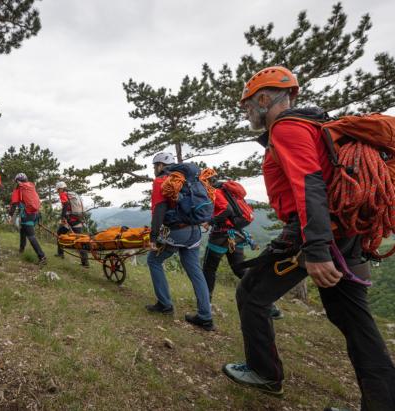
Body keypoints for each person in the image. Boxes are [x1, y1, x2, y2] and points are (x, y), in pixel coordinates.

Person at [222, 66, 395, 409]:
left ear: (263, 98)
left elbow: (309, 184)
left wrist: (316, 249)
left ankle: (265, 373)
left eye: (247, 107)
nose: (247, 114)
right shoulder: (314, 125)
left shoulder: (286, 127)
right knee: (352, 318)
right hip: (345, 234)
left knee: (251, 293)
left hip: (314, 235)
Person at [145, 152, 214, 331]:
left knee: (153, 260)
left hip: (177, 231)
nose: (154, 169)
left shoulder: (161, 181)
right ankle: (206, 317)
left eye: (155, 166)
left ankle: (164, 304)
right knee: (195, 271)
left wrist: (153, 236)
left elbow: (159, 209)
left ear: (160, 165)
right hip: (194, 231)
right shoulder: (186, 180)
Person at [202, 180, 283, 319]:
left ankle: (205, 306)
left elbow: (227, 210)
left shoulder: (215, 192)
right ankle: (269, 305)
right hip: (237, 235)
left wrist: (210, 222)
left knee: (209, 270)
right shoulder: (230, 193)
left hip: (220, 236)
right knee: (240, 270)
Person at [8, 173, 46, 265]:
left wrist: (10, 215)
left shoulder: (19, 189)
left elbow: (14, 204)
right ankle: (21, 249)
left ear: (17, 181)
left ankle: (42, 257)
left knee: (31, 236)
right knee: (23, 230)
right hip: (35, 214)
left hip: (27, 214)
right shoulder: (31, 186)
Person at [54, 181, 89, 267]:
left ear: (61, 188)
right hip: (78, 219)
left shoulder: (63, 194)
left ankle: (60, 253)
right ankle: (85, 263)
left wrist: (62, 217)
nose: (58, 192)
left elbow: (65, 205)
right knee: (80, 240)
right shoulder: (74, 194)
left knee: (59, 233)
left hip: (70, 220)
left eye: (58, 190)